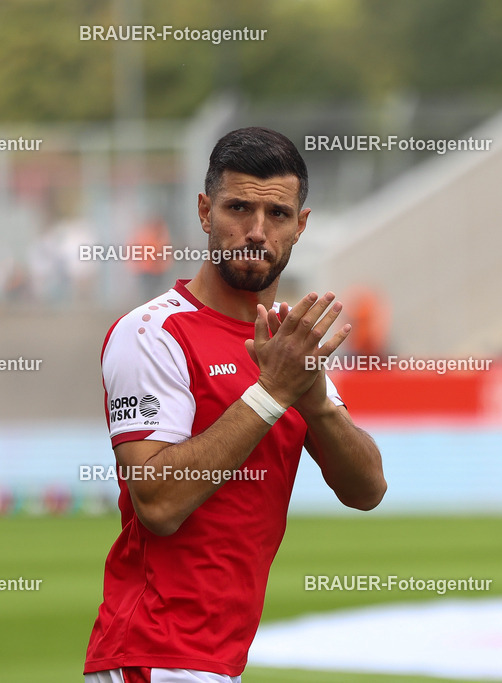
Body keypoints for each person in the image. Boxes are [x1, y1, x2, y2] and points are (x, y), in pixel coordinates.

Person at [85, 127, 387, 683]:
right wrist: (273, 393)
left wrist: (315, 399)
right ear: (204, 212)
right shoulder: (153, 333)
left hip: (216, 659)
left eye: (276, 215)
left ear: (301, 225)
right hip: (156, 653)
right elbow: (156, 502)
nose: (254, 231)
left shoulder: (290, 343)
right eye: (237, 208)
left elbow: (367, 490)